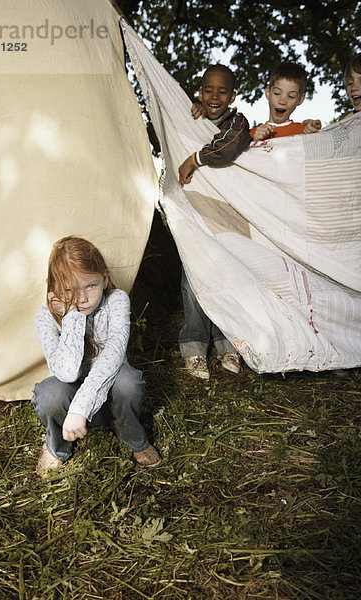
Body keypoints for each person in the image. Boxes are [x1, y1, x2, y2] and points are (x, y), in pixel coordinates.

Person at [31, 236, 160, 474]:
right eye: (69, 289)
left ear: (105, 278)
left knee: (128, 382)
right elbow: (67, 373)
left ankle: (131, 435)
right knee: (51, 393)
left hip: (106, 399)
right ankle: (57, 445)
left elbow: (113, 356)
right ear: (53, 288)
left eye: (91, 286)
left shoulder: (117, 301)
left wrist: (81, 409)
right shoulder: (45, 317)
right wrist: (73, 317)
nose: (81, 298)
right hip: (69, 404)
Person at [178, 65, 252, 380]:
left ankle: (227, 344)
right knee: (192, 281)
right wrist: (192, 115)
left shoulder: (238, 122)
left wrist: (194, 159)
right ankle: (194, 347)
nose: (214, 96)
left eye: (222, 91)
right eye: (208, 90)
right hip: (196, 215)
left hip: (228, 216)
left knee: (228, 279)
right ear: (200, 92)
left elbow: (228, 147)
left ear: (232, 96)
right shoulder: (192, 119)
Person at [250, 62, 321, 141]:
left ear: (300, 99)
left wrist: (314, 134)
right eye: (277, 93)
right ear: (268, 92)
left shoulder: (304, 131)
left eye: (291, 96)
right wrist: (254, 142)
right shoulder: (250, 135)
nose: (282, 101)